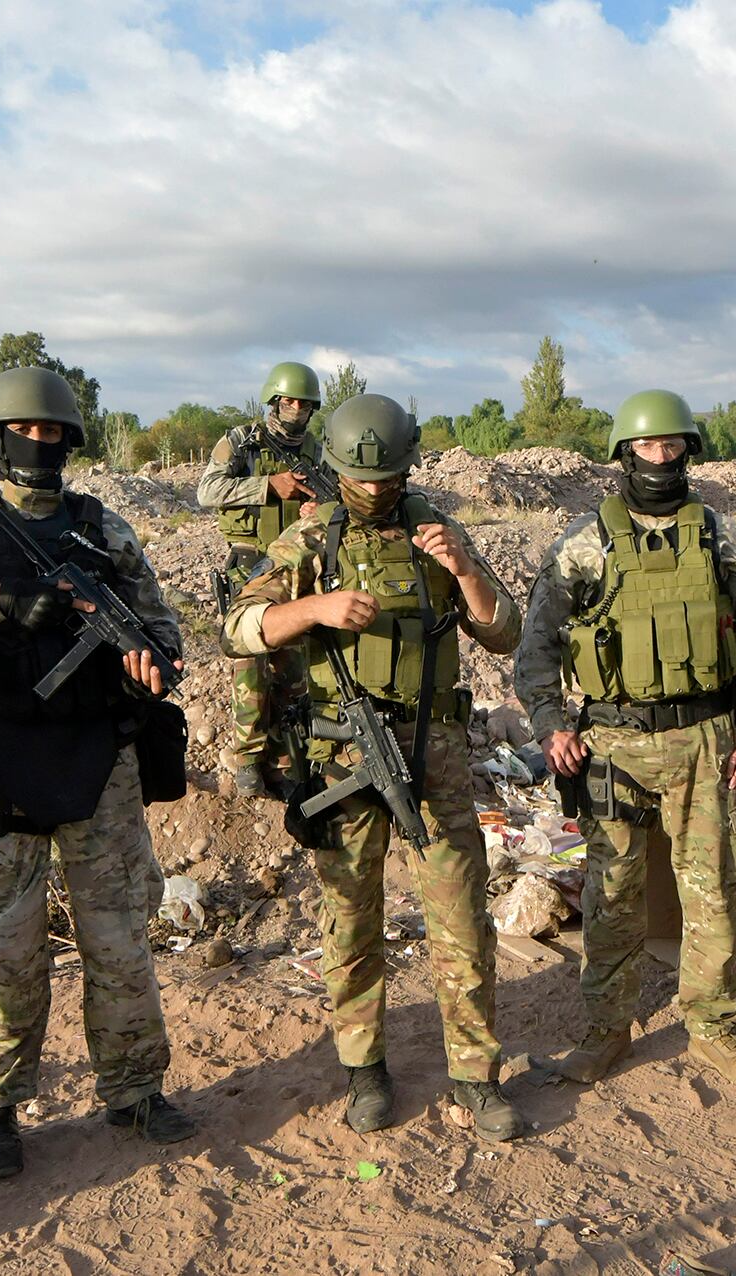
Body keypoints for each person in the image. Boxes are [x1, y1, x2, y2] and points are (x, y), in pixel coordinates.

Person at [0, 367, 194, 1178]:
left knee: (120, 937)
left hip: (101, 758)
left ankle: (133, 1090)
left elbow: (162, 629)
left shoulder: (107, 530)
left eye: (54, 432)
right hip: (0, 760)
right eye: (26, 431)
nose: (40, 443)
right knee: (8, 950)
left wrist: (144, 662)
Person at [220, 393, 527, 1141]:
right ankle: (365, 1070)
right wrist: (313, 610)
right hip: (343, 758)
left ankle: (474, 1075)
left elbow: (504, 633)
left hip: (437, 755)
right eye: (362, 480)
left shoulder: (436, 531)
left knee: (460, 919)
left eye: (388, 478)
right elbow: (239, 629)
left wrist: (462, 570)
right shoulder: (310, 540)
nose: (376, 491)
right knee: (351, 921)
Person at [516, 390, 736, 1087]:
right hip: (615, 746)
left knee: (716, 891)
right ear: (624, 453)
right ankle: (606, 1029)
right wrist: (552, 725)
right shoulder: (584, 543)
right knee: (612, 895)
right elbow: (536, 650)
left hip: (709, 742)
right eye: (648, 446)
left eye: (674, 446)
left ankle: (713, 1026)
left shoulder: (724, 538)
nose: (662, 457)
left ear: (690, 452)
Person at [196, 361, 322, 798]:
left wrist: (314, 513)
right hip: (250, 566)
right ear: (274, 400)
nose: (295, 410)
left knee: (292, 670)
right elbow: (207, 491)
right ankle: (248, 758)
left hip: (294, 568)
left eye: (304, 405)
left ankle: (283, 760)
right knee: (250, 664)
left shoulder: (315, 451)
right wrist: (268, 486)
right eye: (288, 401)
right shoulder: (240, 442)